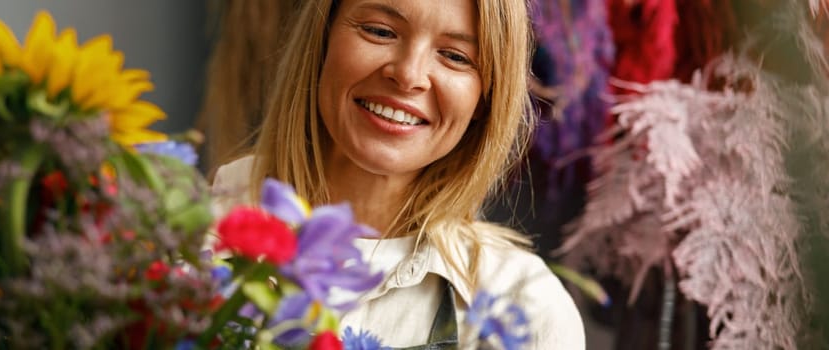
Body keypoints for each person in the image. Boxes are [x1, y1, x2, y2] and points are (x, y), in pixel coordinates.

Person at [210, 0, 585, 348]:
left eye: (455, 56)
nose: (408, 75)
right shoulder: (190, 239)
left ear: (483, 100)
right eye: (380, 31)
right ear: (321, 40)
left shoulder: (527, 305)